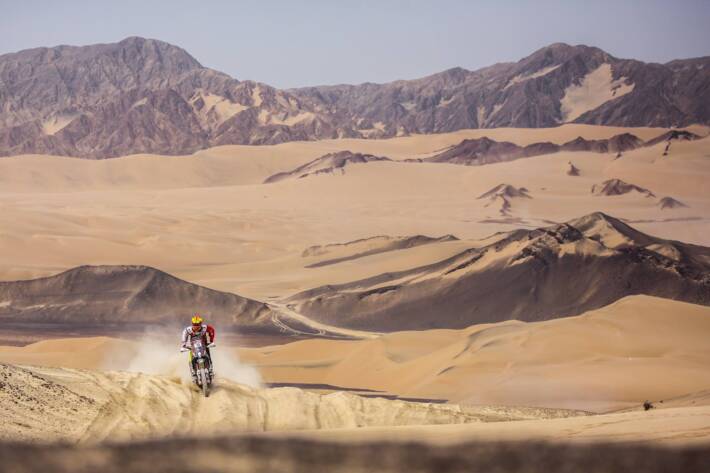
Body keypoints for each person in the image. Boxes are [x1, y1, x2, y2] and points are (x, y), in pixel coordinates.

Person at [181, 314, 216, 381]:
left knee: (208, 353)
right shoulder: (188, 330)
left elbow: (212, 330)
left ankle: (211, 369)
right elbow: (184, 336)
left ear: (200, 324)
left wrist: (211, 340)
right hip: (193, 346)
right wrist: (183, 345)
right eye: (194, 324)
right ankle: (193, 371)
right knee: (191, 354)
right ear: (192, 324)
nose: (196, 326)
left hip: (204, 344)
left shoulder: (205, 328)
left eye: (197, 324)